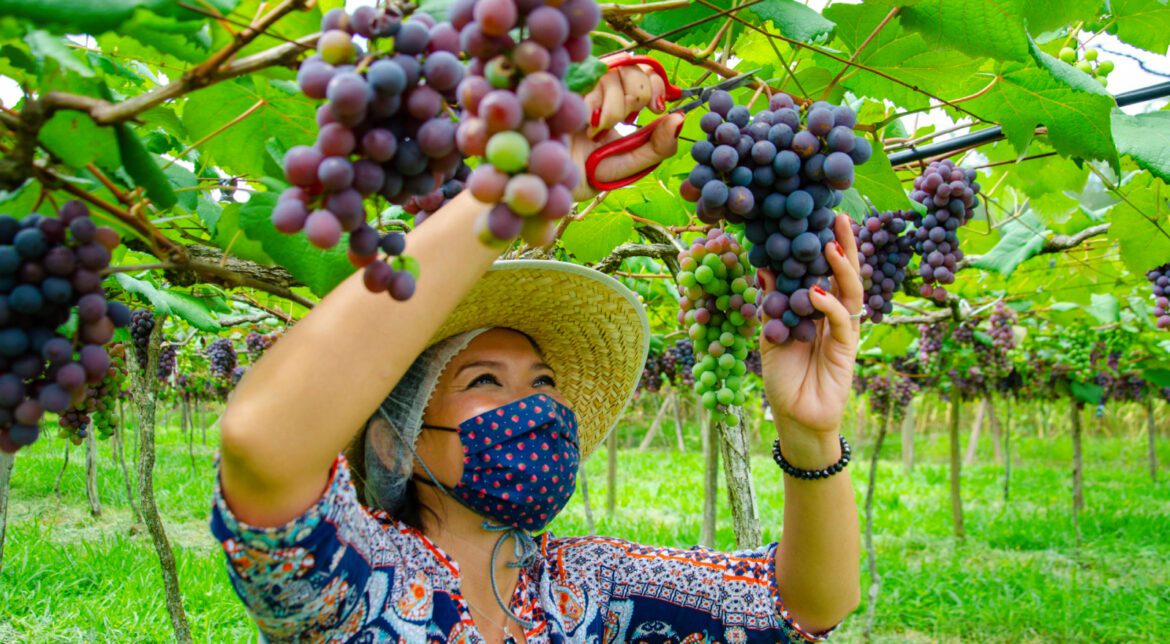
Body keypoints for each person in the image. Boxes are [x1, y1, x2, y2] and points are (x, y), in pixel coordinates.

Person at [213, 64, 862, 643]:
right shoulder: (352, 592)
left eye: (544, 381)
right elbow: (260, 445)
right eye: (487, 379)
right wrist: (511, 193)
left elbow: (799, 607)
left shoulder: (592, 589)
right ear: (393, 443)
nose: (533, 406)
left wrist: (812, 436)